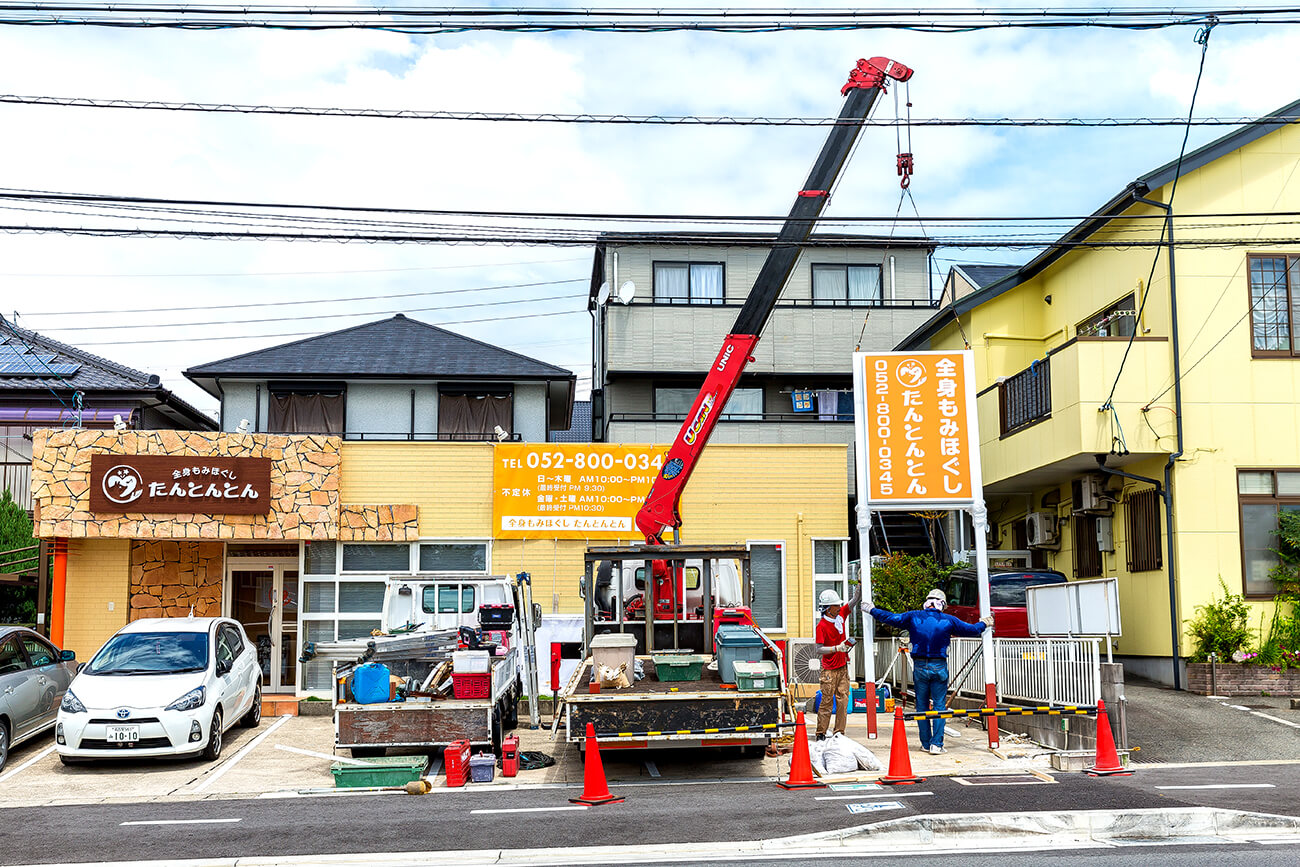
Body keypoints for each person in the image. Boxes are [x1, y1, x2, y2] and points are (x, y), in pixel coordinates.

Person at [869, 589, 991, 754]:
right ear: (942, 604)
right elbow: (971, 629)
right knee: (940, 705)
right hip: (939, 665)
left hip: (919, 666)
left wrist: (871, 609)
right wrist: (984, 623)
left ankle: (925, 743)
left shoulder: (914, 616)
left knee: (921, 705)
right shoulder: (948, 620)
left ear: (927, 602)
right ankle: (936, 744)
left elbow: (891, 618)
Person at [813, 582, 860, 740]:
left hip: (842, 667)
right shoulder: (822, 626)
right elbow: (819, 649)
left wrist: (859, 586)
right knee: (826, 701)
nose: (839, 607)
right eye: (836, 605)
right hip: (829, 670)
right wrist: (836, 648)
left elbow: (854, 600)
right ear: (828, 608)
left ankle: (839, 732)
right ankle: (821, 733)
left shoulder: (840, 617)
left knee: (843, 701)